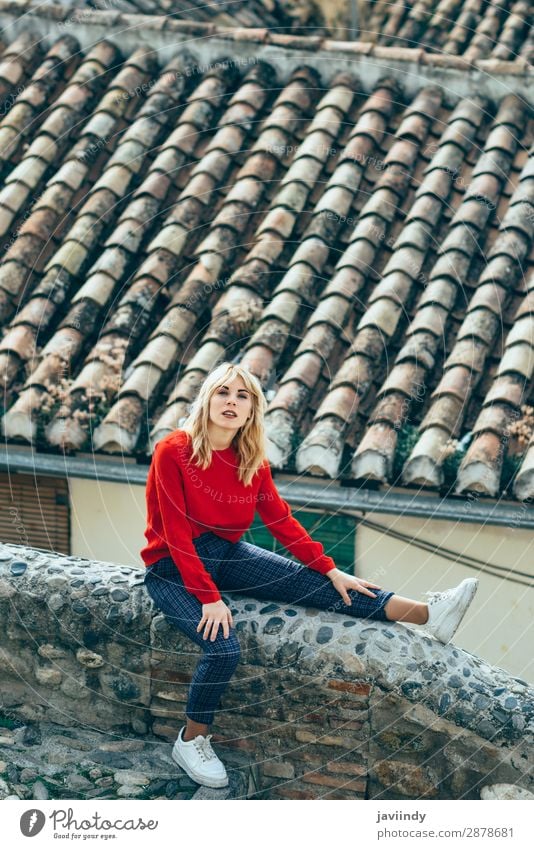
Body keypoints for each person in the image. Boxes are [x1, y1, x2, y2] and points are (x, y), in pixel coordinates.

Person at [140, 361, 478, 789]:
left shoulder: (251, 461)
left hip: (225, 555)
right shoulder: (174, 451)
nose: (232, 402)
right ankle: (192, 739)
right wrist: (208, 597)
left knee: (323, 587)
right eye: (223, 392)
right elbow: (175, 535)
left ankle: (430, 614)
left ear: (251, 411)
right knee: (223, 650)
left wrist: (329, 567)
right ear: (208, 399)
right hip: (170, 568)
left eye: (242, 396)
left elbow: (281, 521)